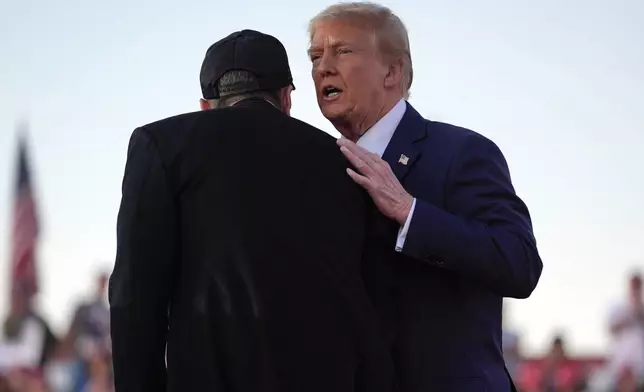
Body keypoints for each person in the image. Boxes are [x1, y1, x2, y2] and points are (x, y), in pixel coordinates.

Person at [109, 29, 394, 392]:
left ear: (205, 105)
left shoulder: (161, 146)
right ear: (286, 97)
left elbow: (134, 296)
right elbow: (372, 304)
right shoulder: (347, 162)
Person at [307, 3, 543, 391]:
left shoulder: (460, 152)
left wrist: (409, 212)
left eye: (343, 51)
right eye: (315, 56)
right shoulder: (317, 171)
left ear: (393, 70)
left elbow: (519, 263)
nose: (323, 67)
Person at [605, 271, 644, 388]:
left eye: (638, 285)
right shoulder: (618, 307)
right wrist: (627, 318)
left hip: (640, 364)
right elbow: (610, 329)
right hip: (620, 361)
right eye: (634, 285)